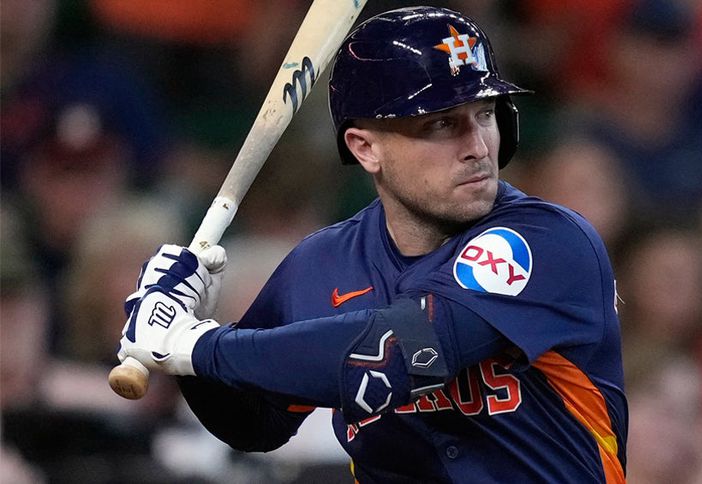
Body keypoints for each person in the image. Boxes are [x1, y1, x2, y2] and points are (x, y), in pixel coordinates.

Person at [115, 6, 628, 483]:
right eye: (441, 123)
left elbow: (406, 352)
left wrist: (196, 345)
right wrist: (189, 330)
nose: (476, 147)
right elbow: (255, 423)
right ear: (365, 148)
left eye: (485, 115)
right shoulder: (321, 264)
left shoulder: (548, 241)